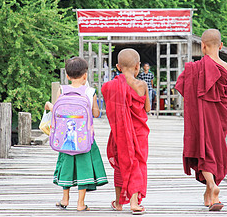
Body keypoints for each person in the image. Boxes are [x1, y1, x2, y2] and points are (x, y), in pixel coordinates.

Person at [174, 29, 227, 212]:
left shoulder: (193, 68)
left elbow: (183, 89)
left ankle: (212, 186)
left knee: (204, 151)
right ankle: (209, 194)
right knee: (215, 150)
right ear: (221, 46)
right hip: (218, 117)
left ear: (203, 46)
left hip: (200, 117)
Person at [45, 57, 108, 211]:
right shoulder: (90, 91)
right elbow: (96, 113)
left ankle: (65, 199)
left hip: (65, 139)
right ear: (85, 75)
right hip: (85, 139)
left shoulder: (62, 89)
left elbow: (59, 112)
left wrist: (49, 106)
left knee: (66, 166)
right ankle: (81, 203)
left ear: (67, 76)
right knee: (84, 167)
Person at [101, 49, 150, 215]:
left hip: (120, 132)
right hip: (139, 132)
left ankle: (119, 202)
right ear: (137, 67)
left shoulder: (109, 86)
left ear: (118, 67)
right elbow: (148, 108)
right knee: (137, 162)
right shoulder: (142, 85)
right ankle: (134, 202)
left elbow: (110, 107)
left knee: (122, 164)